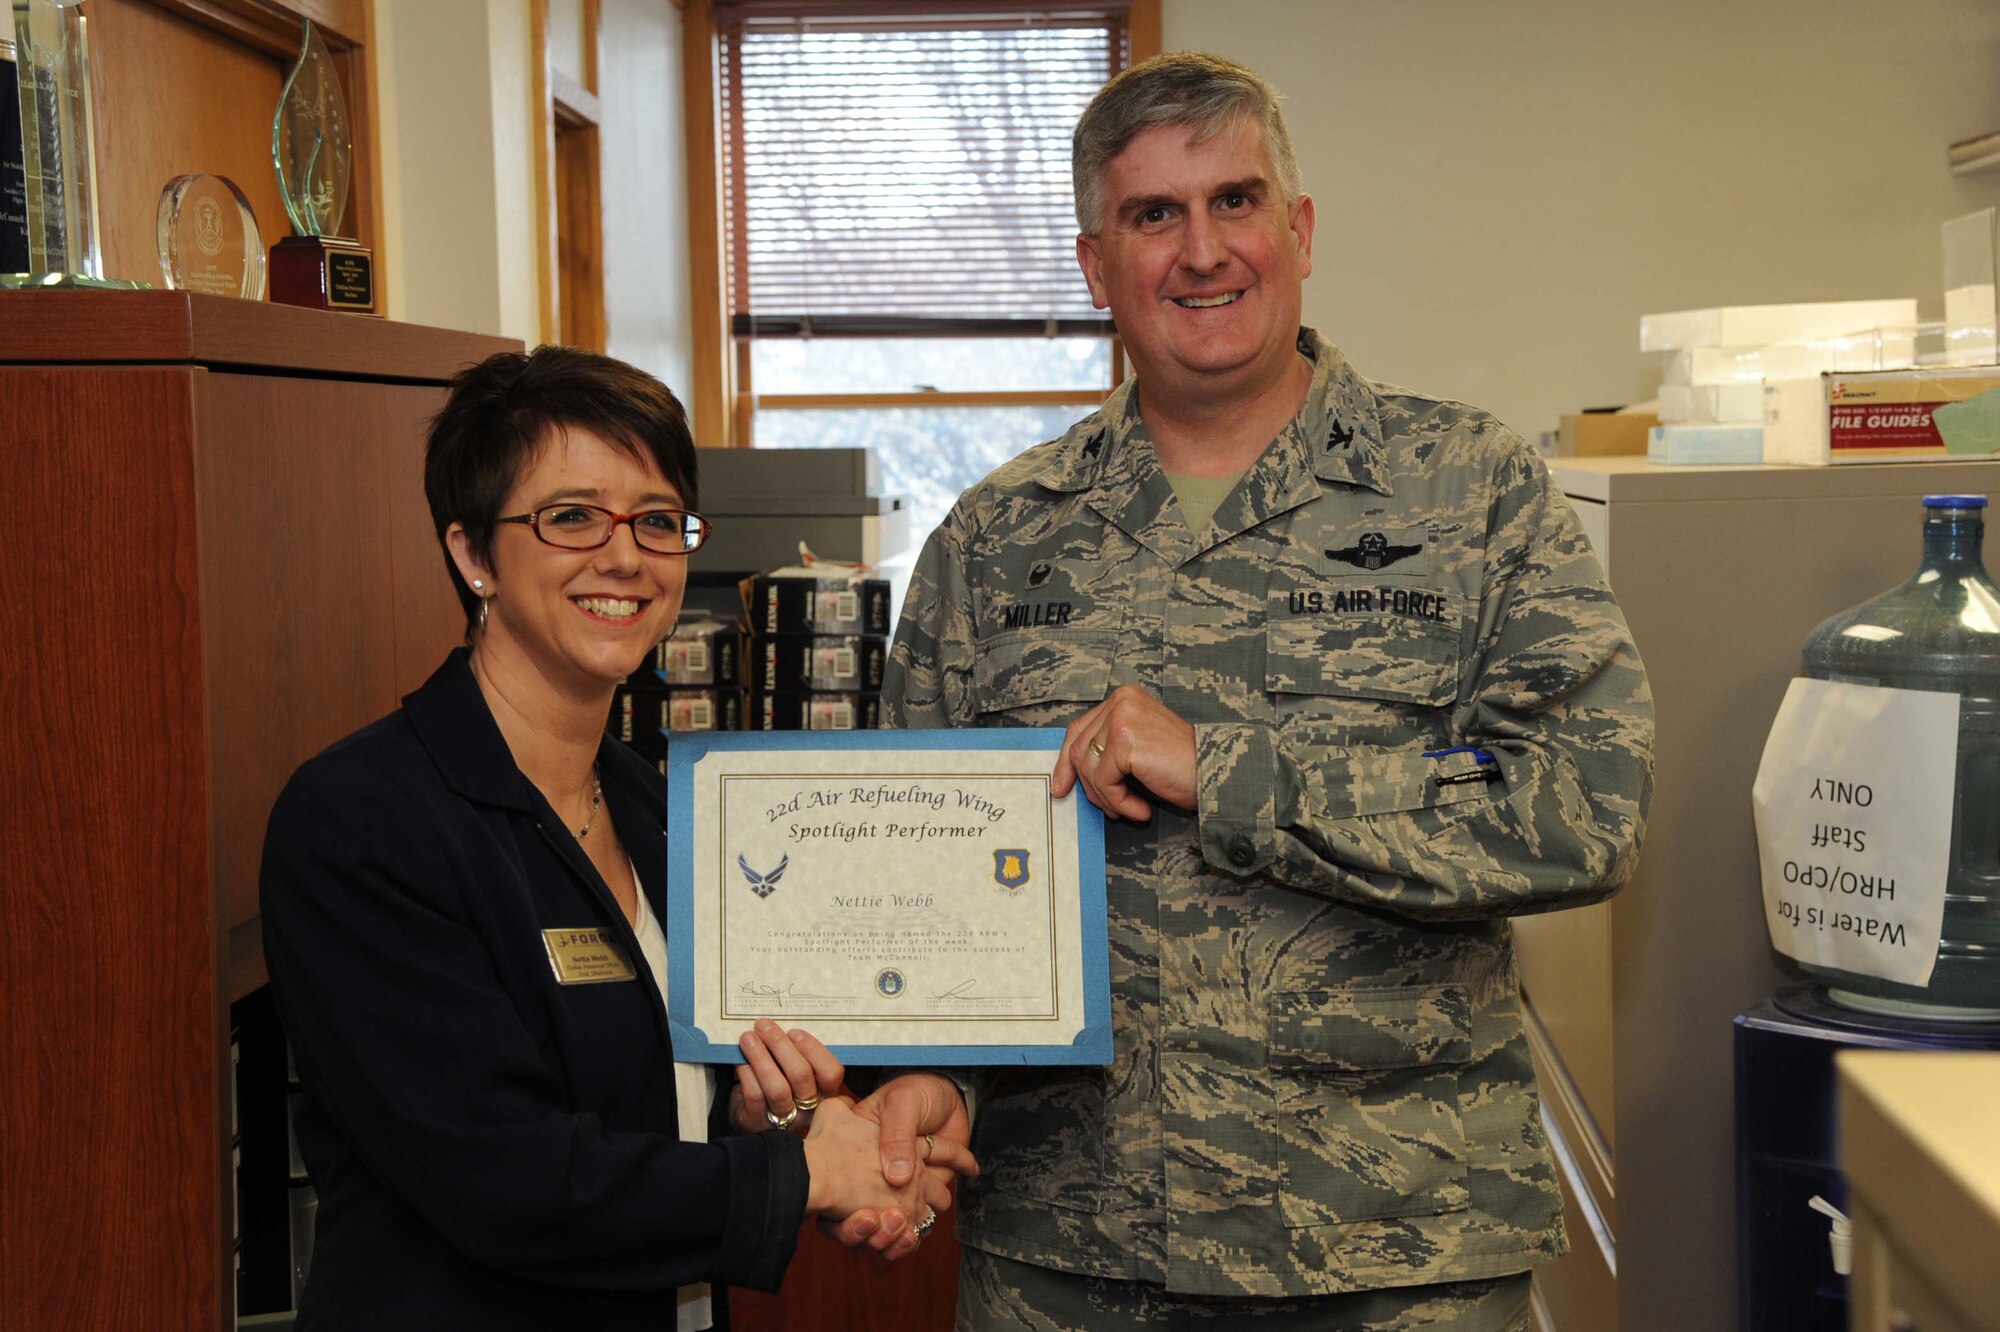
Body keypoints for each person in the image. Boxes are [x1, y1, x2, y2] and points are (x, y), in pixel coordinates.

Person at [877, 52, 1655, 1330]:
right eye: (1152, 215)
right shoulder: (995, 537)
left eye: (1233, 202)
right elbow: (937, 885)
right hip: (1072, 1256)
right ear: (1094, 267)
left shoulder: (1469, 489)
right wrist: (935, 1084)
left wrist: (1232, 770)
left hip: (1399, 1252)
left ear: (1296, 232)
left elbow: (1583, 801)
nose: (1201, 251)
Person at [259, 346, 963, 1330]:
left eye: (658, 520)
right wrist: (798, 1178)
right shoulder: (361, 819)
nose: (625, 556)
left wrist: (769, 1120)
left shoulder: (655, 804)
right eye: (571, 517)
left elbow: (649, 1098)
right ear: (472, 557)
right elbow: (498, 1173)